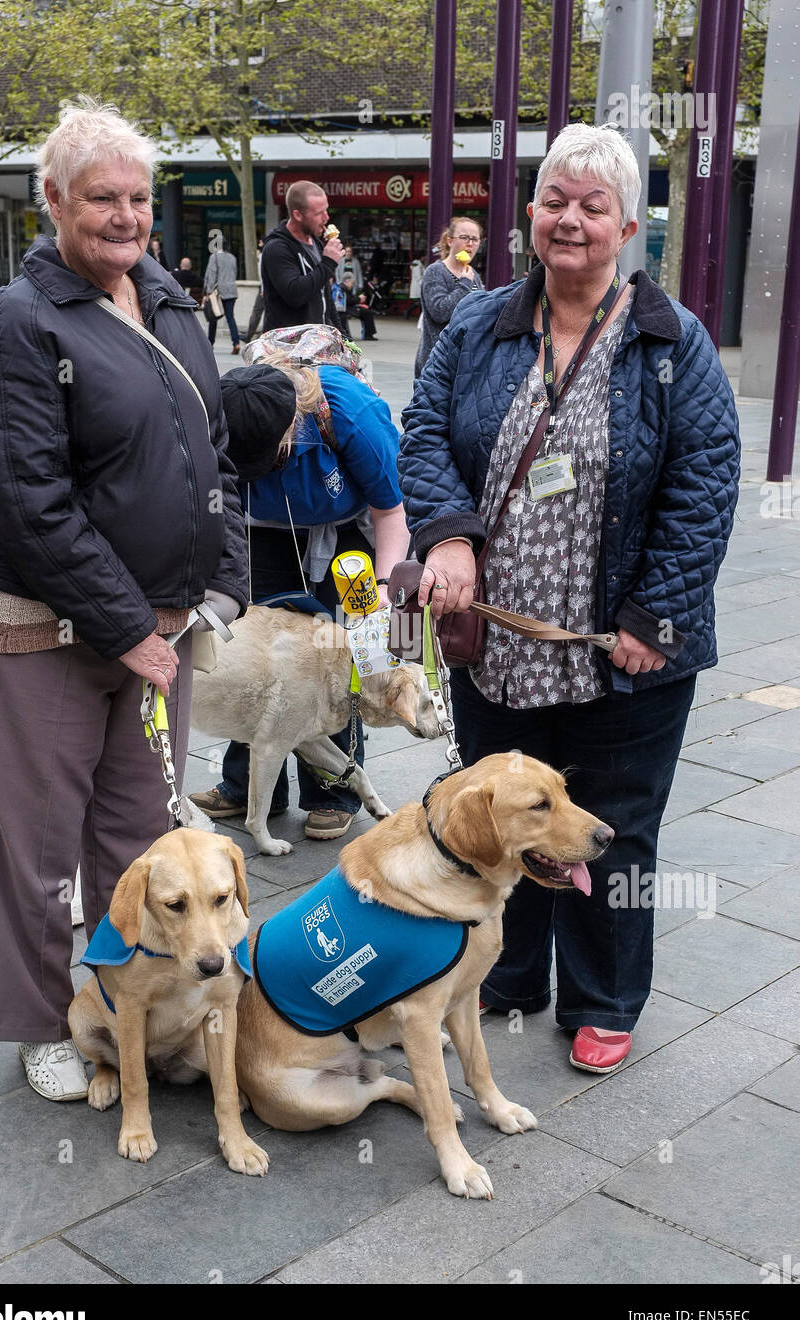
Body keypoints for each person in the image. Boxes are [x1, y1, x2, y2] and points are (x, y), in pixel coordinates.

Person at [398, 123, 741, 1074]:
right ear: (530, 214)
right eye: (556, 200)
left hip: (617, 656)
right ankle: (510, 970)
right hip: (497, 647)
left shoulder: (673, 345)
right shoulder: (480, 324)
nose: (572, 221)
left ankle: (604, 997)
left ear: (627, 226)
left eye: (595, 207)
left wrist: (653, 620)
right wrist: (450, 536)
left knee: (612, 830)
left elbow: (706, 481)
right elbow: (423, 431)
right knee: (509, 820)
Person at [0, 100, 248, 1101]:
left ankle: (137, 1011)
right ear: (52, 202)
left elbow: (213, 447)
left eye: (136, 197)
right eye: (100, 199)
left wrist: (224, 579)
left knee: (137, 845)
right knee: (39, 848)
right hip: (46, 633)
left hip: (162, 629)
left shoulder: (163, 297)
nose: (124, 217)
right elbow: (31, 505)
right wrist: (127, 628)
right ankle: (42, 1024)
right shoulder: (17, 324)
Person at [191, 352, 410, 841]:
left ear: (289, 431)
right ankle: (245, 786)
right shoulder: (220, 413)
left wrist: (378, 592)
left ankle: (332, 792)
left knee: (336, 661)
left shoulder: (348, 412)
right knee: (255, 659)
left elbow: (392, 512)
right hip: (261, 531)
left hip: (346, 536)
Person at [261, 180, 344, 331]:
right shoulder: (277, 248)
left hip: (316, 344)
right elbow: (295, 294)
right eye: (319, 213)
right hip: (288, 346)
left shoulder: (317, 243)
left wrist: (344, 339)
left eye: (326, 210)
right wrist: (328, 263)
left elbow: (326, 300)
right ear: (298, 215)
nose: (326, 217)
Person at [414, 217, 484, 379]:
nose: (470, 244)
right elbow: (439, 311)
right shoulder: (436, 271)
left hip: (466, 361)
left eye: (475, 239)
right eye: (464, 238)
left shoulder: (473, 275)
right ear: (450, 240)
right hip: (437, 362)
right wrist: (465, 284)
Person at [203, 237, 241, 353]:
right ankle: (236, 343)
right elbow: (234, 272)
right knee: (230, 317)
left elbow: (211, 275)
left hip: (218, 291)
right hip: (231, 290)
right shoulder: (232, 257)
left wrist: (208, 292)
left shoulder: (214, 257)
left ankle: (210, 343)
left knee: (213, 317)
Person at [245, 238, 265, 342]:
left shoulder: (263, 255)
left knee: (257, 312)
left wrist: (263, 288)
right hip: (265, 287)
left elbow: (262, 273)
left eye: (261, 242)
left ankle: (249, 335)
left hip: (264, 288)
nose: (259, 244)